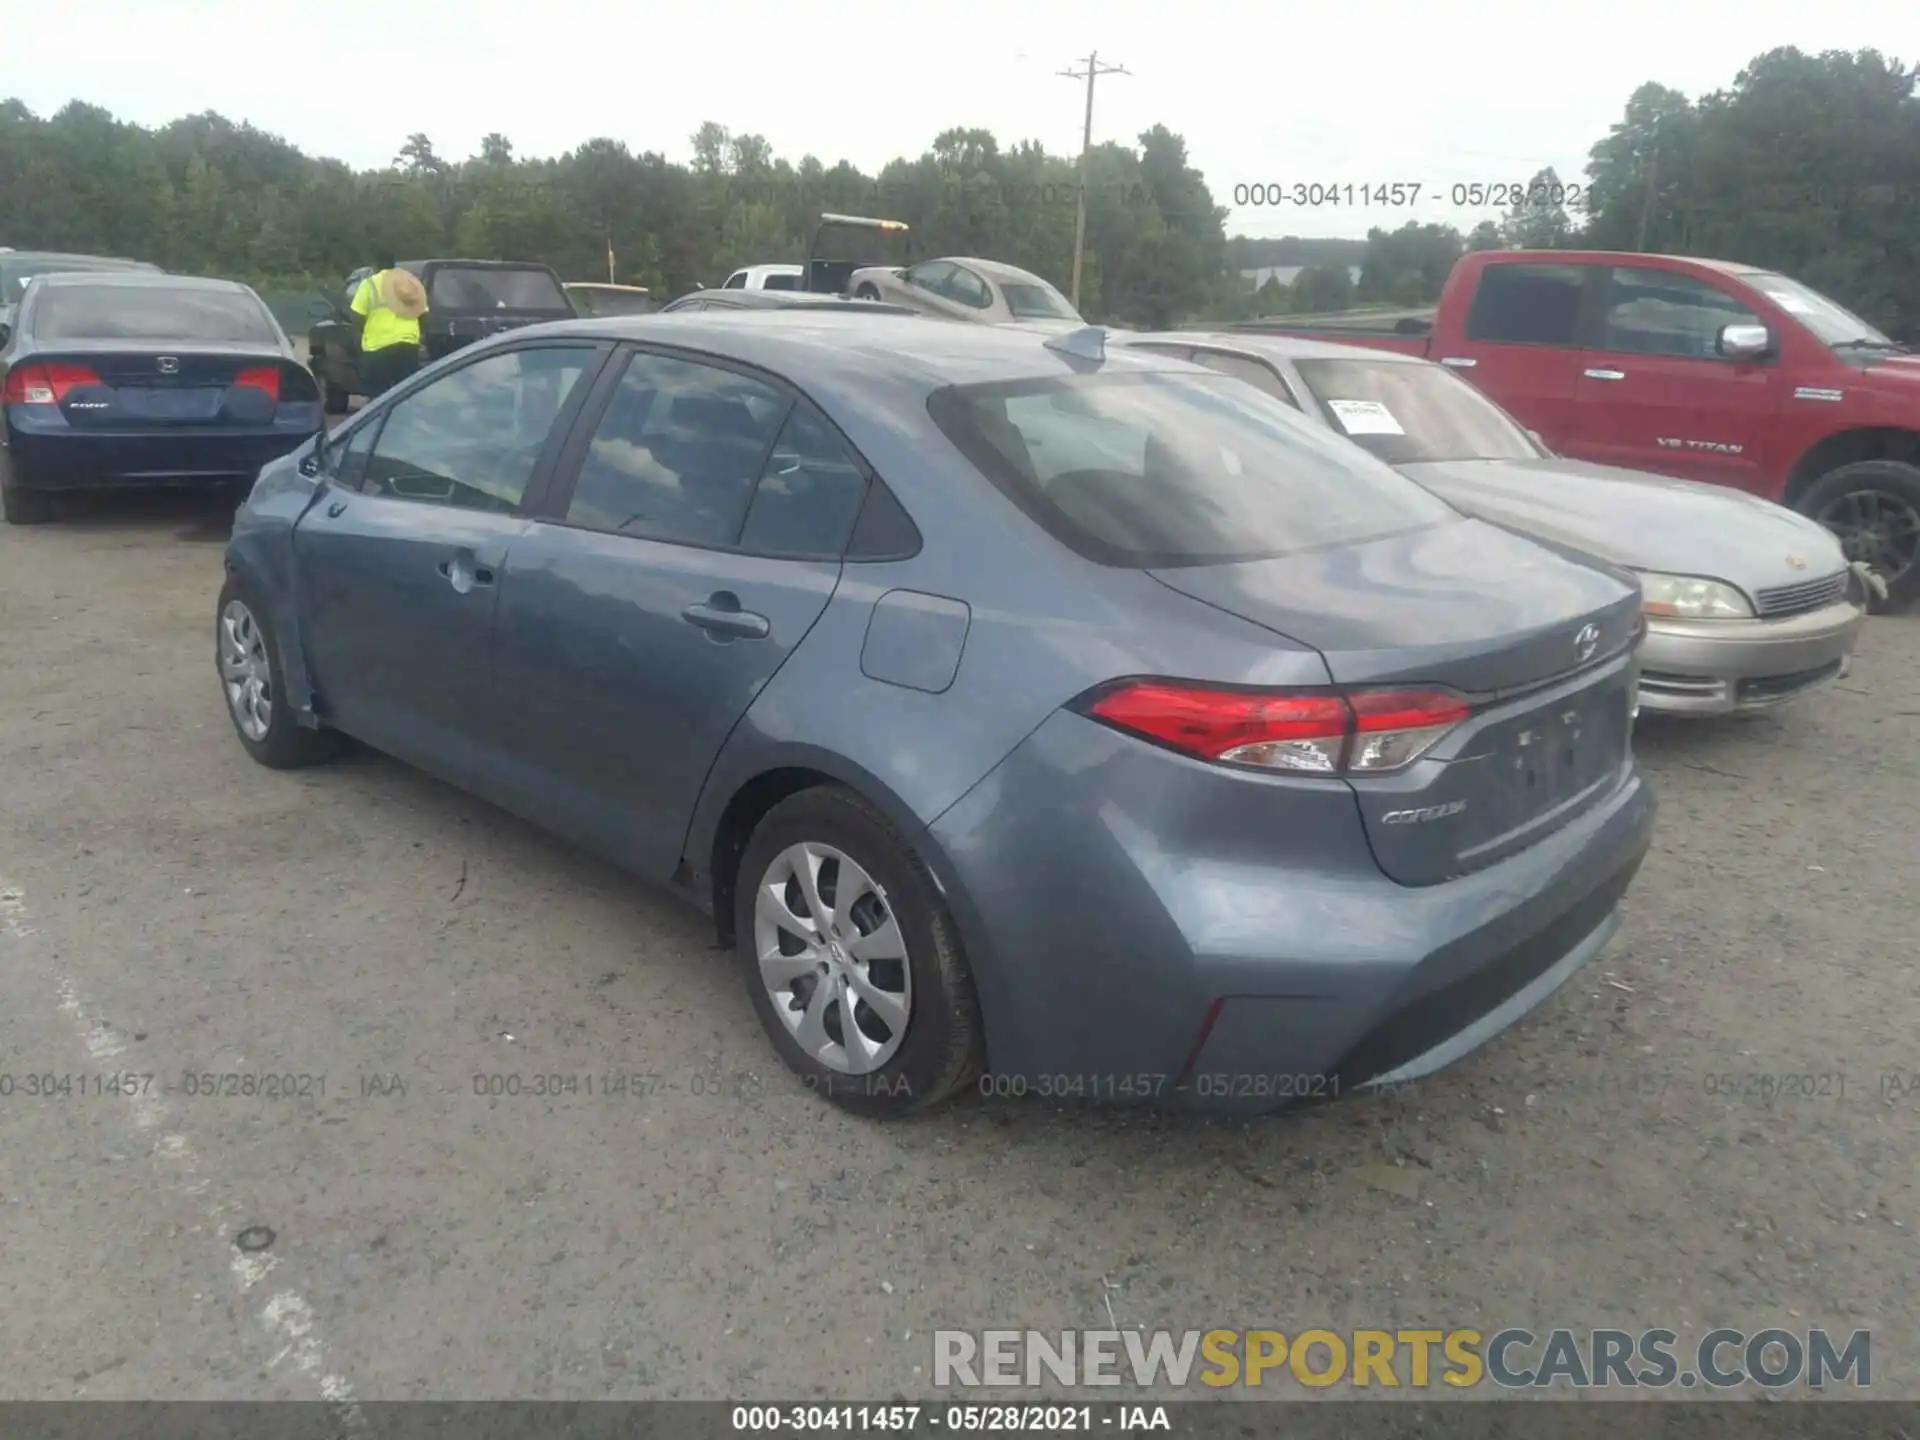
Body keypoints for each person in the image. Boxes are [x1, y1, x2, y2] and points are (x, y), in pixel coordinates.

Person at [349, 256, 429, 399]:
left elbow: (357, 316)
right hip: (408, 346)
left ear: (375, 266)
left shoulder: (370, 284)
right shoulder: (408, 283)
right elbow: (423, 314)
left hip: (378, 347)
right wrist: (421, 337)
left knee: (379, 396)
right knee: (406, 395)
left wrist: (359, 336)